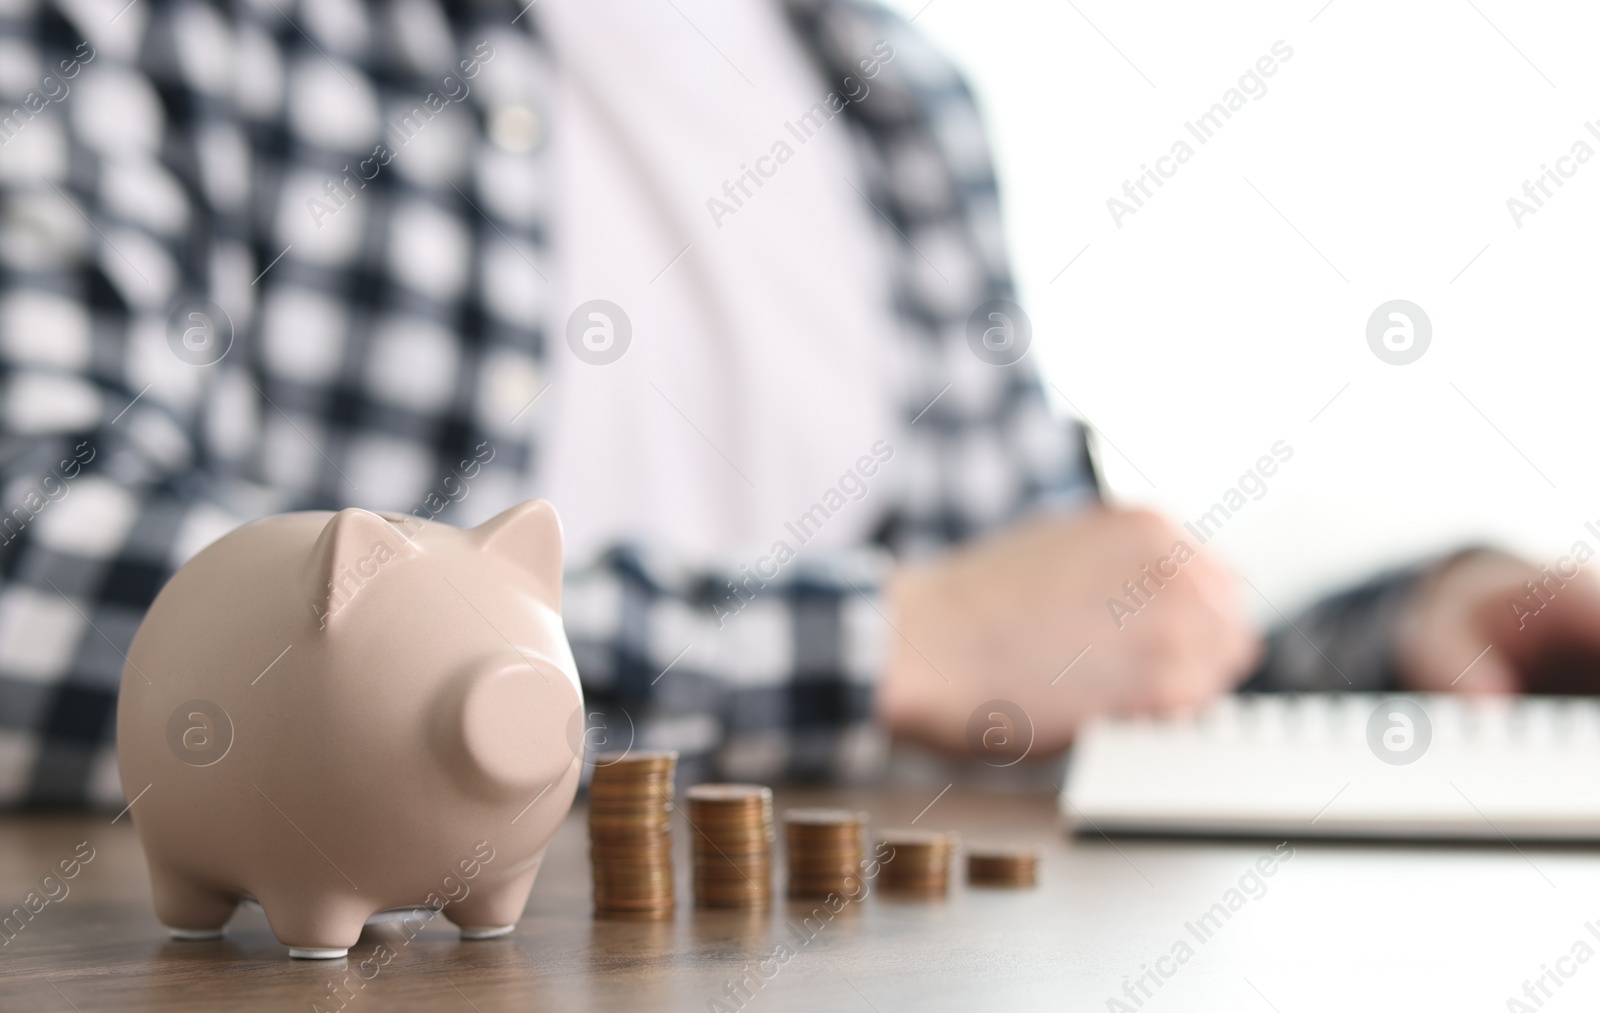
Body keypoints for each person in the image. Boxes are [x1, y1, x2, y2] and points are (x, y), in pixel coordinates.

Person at [2, 0, 1598, 808]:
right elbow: (35, 578)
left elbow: (1040, 641)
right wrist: (884, 645)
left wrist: (1398, 635)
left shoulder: (896, 101)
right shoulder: (161, 30)